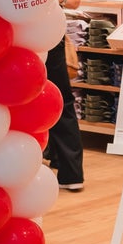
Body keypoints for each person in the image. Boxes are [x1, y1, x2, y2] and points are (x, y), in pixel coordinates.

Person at [43, 34, 85, 192]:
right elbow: (74, 6)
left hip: (18, 38)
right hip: (49, 36)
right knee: (60, 102)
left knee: (21, 102)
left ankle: (67, 170)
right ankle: (70, 172)